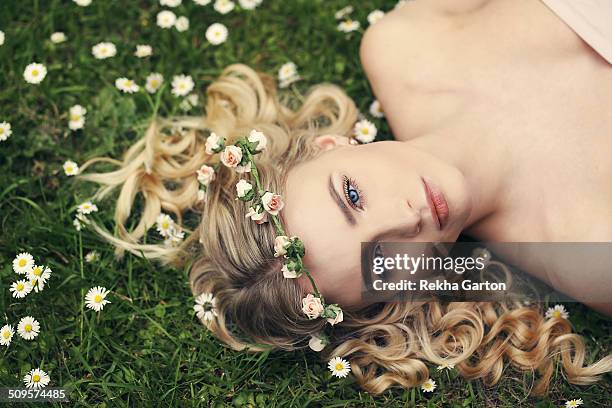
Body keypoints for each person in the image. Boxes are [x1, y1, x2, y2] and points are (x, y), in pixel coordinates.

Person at [78, 0, 612, 396]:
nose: (406, 218)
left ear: (329, 146)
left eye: (352, 194)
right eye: (382, 259)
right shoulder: (592, 256)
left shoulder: (404, 48)